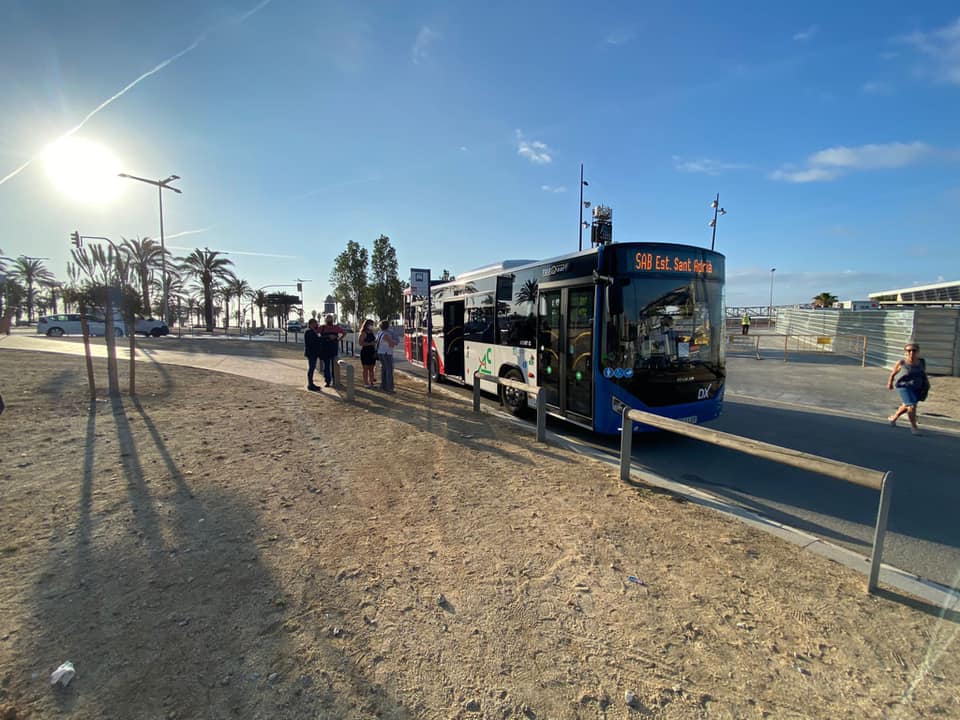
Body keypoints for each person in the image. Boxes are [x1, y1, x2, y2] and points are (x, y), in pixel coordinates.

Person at [887, 341, 928, 435]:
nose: (911, 353)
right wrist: (890, 383)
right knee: (911, 406)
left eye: (914, 350)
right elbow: (893, 374)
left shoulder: (922, 362)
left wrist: (925, 386)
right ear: (905, 352)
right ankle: (914, 427)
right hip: (904, 386)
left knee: (907, 405)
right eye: (909, 351)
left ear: (918, 351)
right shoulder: (901, 363)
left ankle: (893, 417)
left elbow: (923, 374)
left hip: (917, 387)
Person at [318, 315, 344, 387]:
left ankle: (335, 380)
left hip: (333, 348)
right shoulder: (322, 327)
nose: (329, 321)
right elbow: (316, 334)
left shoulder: (336, 327)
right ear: (325, 320)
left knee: (334, 365)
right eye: (328, 319)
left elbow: (344, 333)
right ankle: (327, 381)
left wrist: (338, 339)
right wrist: (326, 337)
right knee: (326, 365)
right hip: (325, 349)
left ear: (332, 320)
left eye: (330, 319)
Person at [376, 319, 398, 392]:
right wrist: (394, 341)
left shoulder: (379, 333)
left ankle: (383, 386)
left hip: (380, 352)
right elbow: (392, 344)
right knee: (389, 370)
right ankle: (389, 388)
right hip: (387, 353)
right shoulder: (387, 334)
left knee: (384, 369)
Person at [303, 318, 323, 391]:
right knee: (311, 368)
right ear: (311, 324)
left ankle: (311, 383)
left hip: (313, 353)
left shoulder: (314, 331)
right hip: (311, 353)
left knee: (312, 368)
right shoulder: (309, 332)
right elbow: (314, 341)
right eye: (315, 324)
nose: (316, 325)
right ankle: (310, 384)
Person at [358, 318, 377, 388]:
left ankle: (372, 382)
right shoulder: (363, 333)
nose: (372, 326)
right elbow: (360, 343)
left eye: (372, 324)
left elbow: (374, 342)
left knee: (372, 368)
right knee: (365, 368)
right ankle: (366, 383)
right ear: (366, 325)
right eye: (370, 324)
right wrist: (370, 343)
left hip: (372, 351)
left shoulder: (372, 333)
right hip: (365, 352)